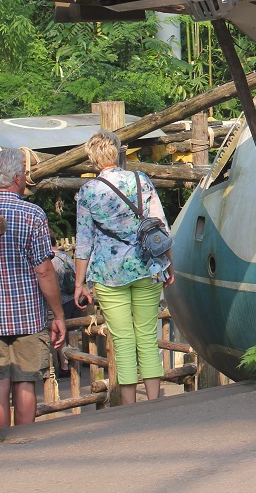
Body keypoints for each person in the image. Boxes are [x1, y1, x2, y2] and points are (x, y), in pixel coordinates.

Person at [0, 148, 67, 429]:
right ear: (18, 177)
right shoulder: (32, 214)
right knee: (26, 381)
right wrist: (58, 314)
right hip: (27, 316)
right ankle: (24, 440)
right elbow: (44, 270)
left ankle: (0, 440)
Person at [74, 130, 173, 404]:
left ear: (92, 158)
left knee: (123, 341)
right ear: (118, 152)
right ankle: (154, 400)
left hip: (109, 273)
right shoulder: (141, 181)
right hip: (148, 266)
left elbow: (84, 242)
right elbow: (159, 225)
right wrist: (169, 264)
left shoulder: (88, 192)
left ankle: (129, 408)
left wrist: (79, 283)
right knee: (147, 335)